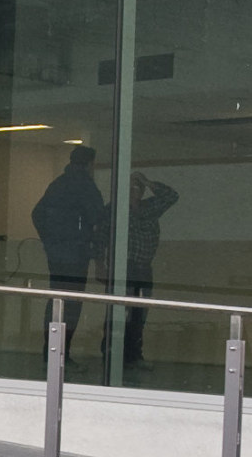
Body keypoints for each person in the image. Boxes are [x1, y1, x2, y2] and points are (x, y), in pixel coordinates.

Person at [116, 170, 181, 370]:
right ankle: (115, 356)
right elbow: (102, 235)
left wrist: (146, 180)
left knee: (139, 314)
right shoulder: (117, 210)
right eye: (132, 188)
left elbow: (171, 196)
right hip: (124, 268)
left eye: (139, 188)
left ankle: (135, 355)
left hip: (143, 269)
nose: (135, 191)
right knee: (119, 313)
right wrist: (102, 264)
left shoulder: (150, 207)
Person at [29, 145, 109, 307]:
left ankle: (52, 331)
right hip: (77, 253)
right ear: (89, 164)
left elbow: (37, 214)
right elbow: (97, 219)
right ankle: (66, 332)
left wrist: (51, 241)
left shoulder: (58, 184)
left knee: (57, 298)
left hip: (56, 253)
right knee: (73, 300)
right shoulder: (86, 186)